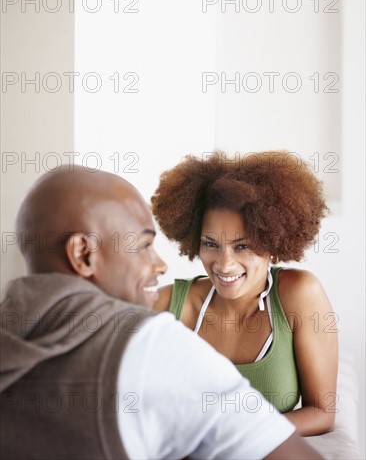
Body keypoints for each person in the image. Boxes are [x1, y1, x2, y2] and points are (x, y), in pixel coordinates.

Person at [0, 165, 321, 460]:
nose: (160, 264)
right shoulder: (153, 342)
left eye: (242, 246)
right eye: (143, 245)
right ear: (83, 254)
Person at [152, 150, 338, 437]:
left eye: (242, 246)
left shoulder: (299, 294)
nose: (224, 264)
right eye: (210, 244)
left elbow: (322, 413)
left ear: (273, 241)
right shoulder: (168, 306)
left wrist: (235, 436)